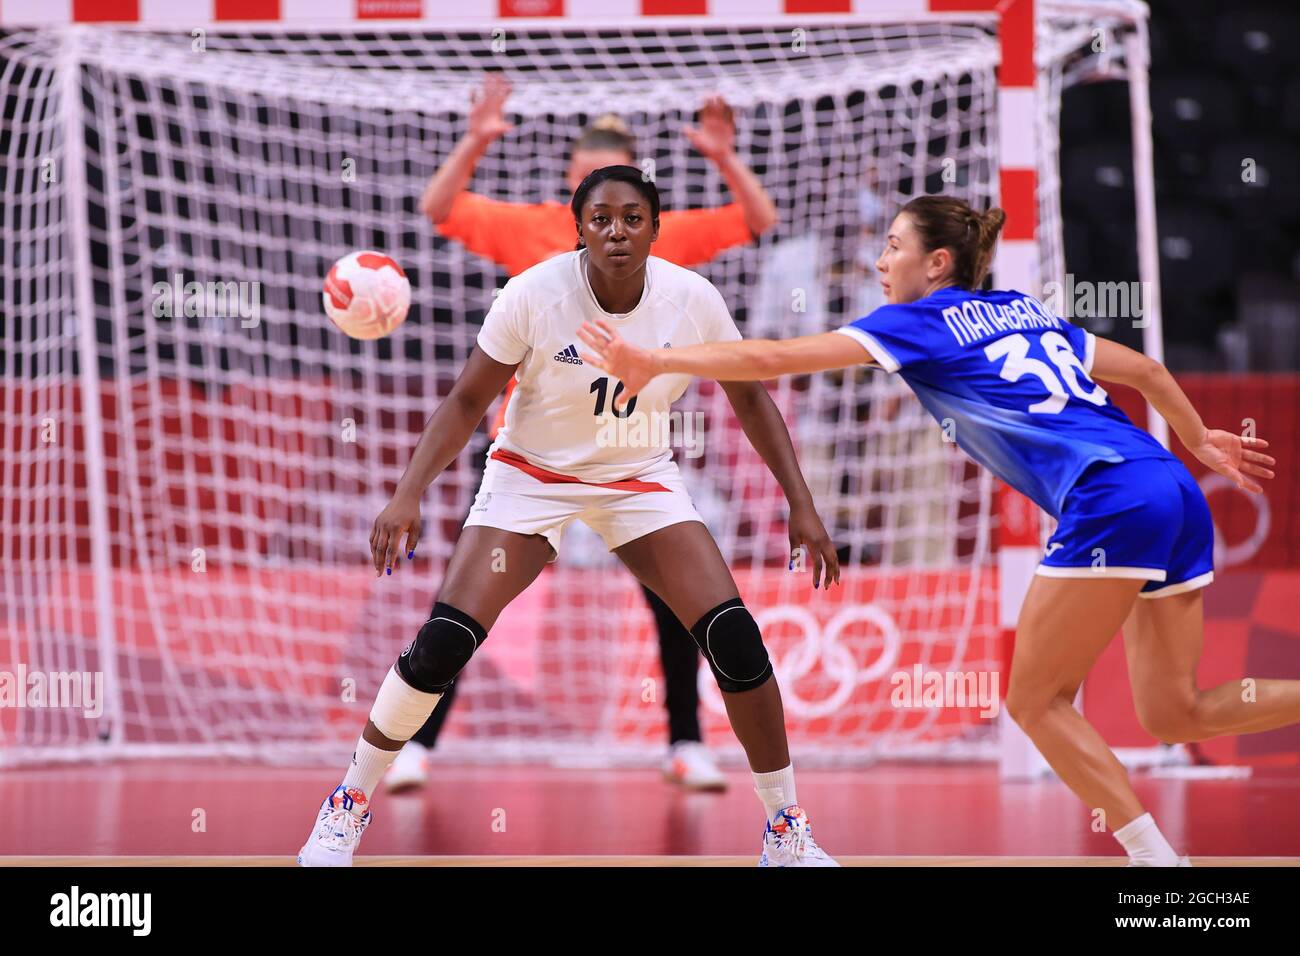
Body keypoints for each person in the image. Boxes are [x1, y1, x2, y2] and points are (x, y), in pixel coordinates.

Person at [578, 194, 1296, 867]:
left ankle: (1159, 865)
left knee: (1033, 702)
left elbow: (769, 358)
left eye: (894, 247)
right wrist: (1198, 439)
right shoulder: (1021, 310)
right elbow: (1141, 367)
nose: (881, 262)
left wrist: (659, 359)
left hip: (1107, 495)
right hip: (1168, 483)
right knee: (1178, 711)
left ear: (937, 265)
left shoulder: (916, 322)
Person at [298, 166, 840, 867]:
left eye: (633, 217)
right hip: (530, 477)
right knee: (443, 642)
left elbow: (752, 400)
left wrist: (801, 504)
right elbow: (467, 401)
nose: (617, 230)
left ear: (654, 226)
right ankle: (346, 804)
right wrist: (408, 492)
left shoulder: (691, 298)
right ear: (579, 228)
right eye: (602, 218)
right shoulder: (532, 295)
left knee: (735, 638)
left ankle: (786, 831)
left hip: (638, 478)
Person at [389, 74, 780, 793]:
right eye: (591, 196)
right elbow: (436, 207)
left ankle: (686, 742)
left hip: (630, 445)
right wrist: (475, 139)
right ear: (575, 201)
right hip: (531, 445)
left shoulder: (656, 238)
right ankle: (419, 742)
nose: (612, 223)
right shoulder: (529, 229)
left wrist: (725, 156)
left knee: (676, 597)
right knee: (470, 597)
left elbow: (760, 218)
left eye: (627, 205)